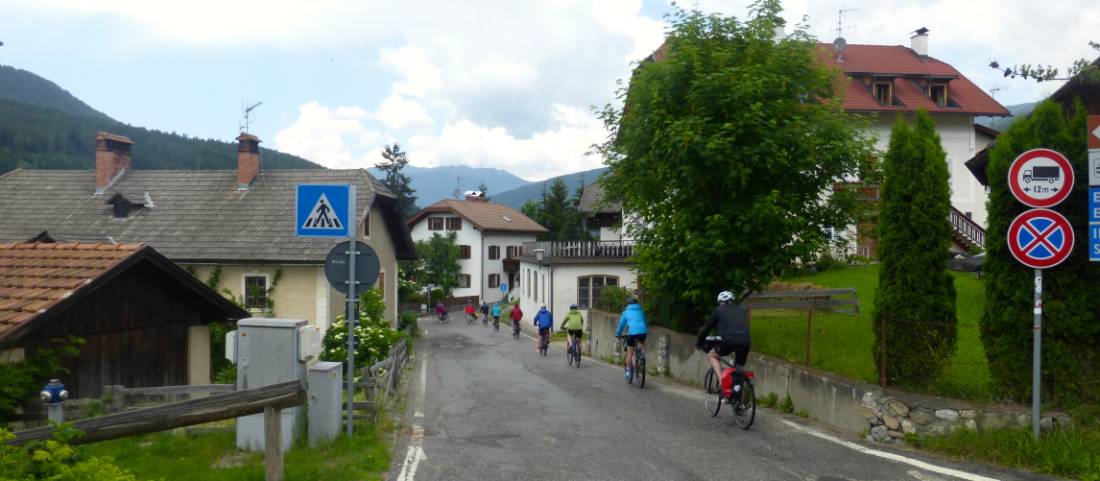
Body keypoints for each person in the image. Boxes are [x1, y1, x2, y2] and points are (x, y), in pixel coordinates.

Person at [695, 290, 751, 393]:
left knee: (712, 355)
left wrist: (699, 343)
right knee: (739, 368)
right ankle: (739, 396)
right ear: (732, 301)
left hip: (730, 340)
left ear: (720, 302)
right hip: (746, 340)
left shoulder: (719, 310)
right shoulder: (741, 310)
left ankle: (722, 383)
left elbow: (706, 329)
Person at [616, 297, 647, 382]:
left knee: (630, 352)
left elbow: (621, 324)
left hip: (632, 333)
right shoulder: (641, 311)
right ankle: (643, 355)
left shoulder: (626, 312)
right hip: (643, 331)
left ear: (628, 304)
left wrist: (618, 334)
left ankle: (629, 372)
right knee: (642, 341)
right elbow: (645, 322)